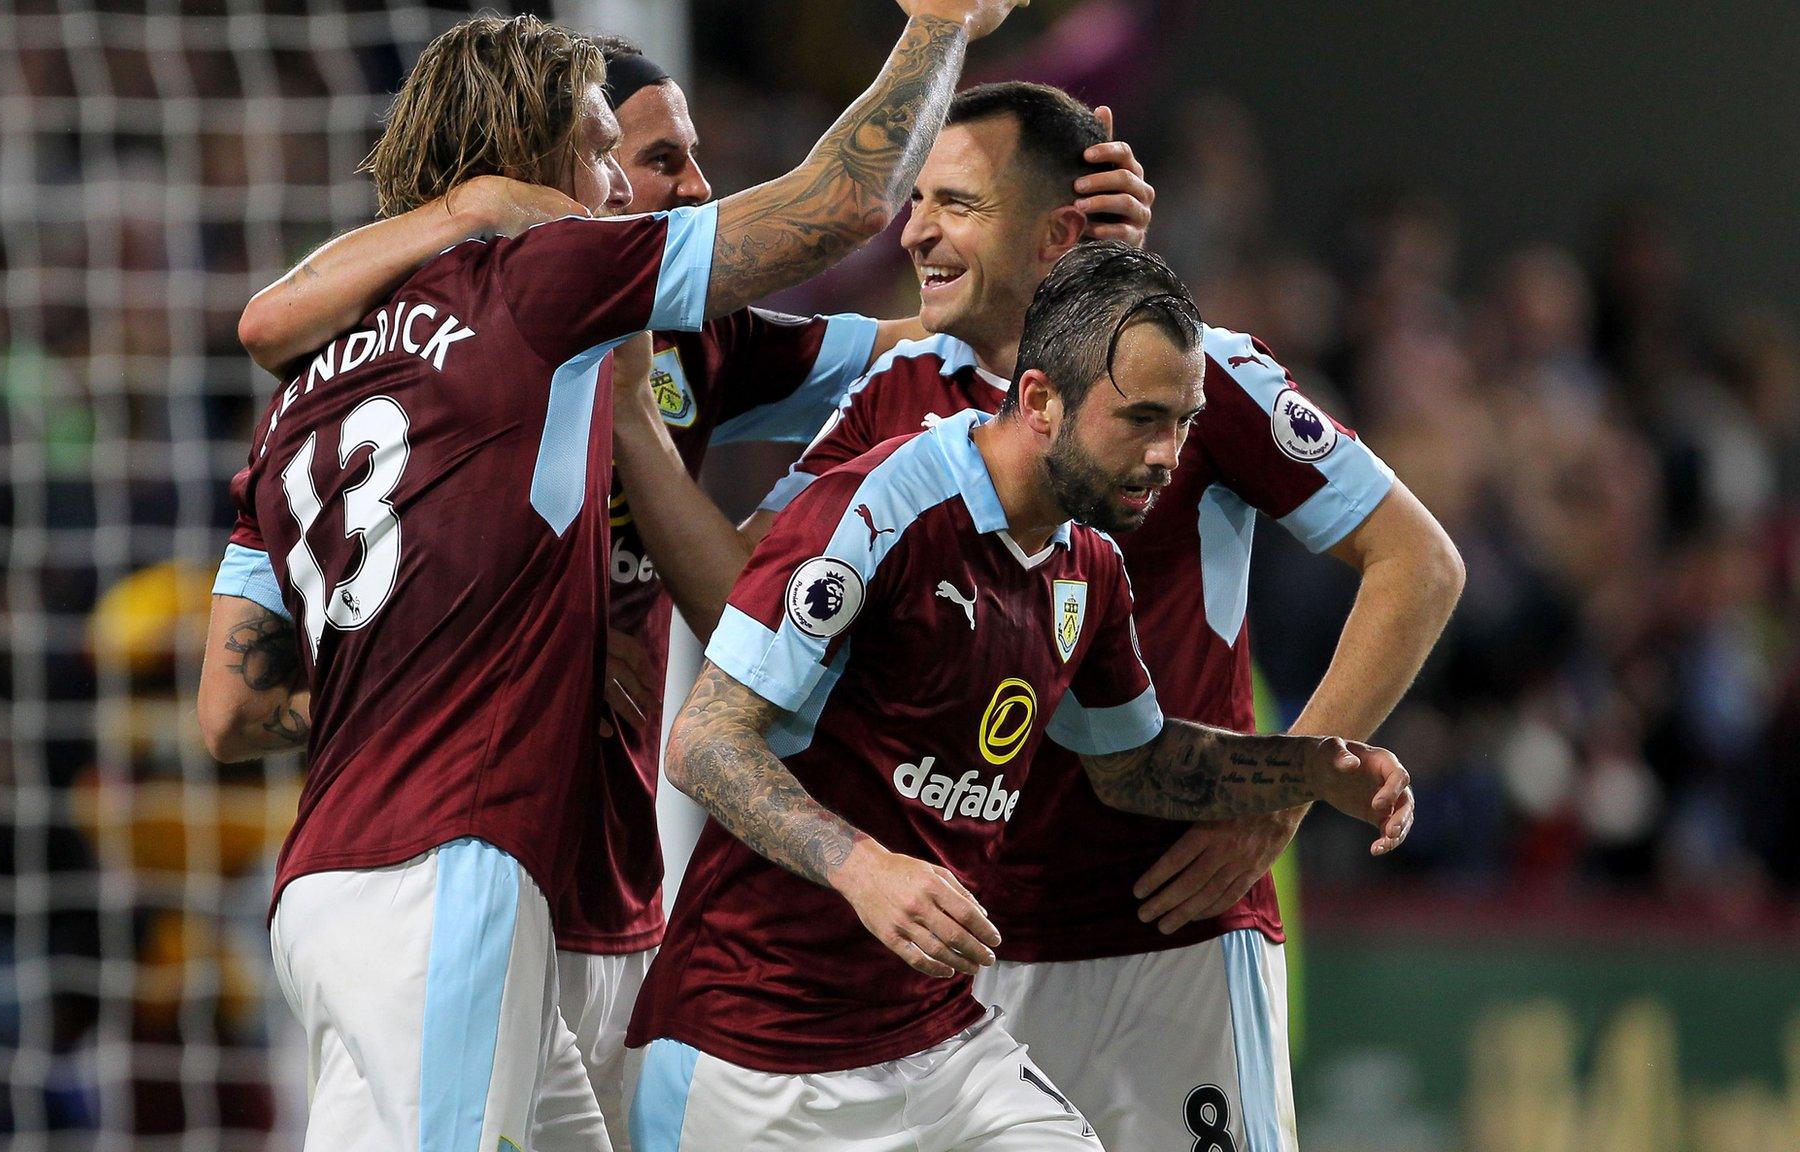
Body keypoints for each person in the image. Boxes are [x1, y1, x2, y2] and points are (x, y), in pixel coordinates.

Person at [217, 34, 1155, 1151]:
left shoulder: (297, 405)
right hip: (453, 862)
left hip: (357, 870)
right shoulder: (550, 279)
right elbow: (840, 202)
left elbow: (232, 709)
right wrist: (936, 25)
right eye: (613, 152)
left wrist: (1062, 275)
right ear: (528, 166)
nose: (632, 187)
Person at [609, 82, 1464, 1151]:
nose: (912, 228)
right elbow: (749, 617)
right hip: (960, 955)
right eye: (916, 198)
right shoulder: (894, 407)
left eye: (954, 203)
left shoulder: (1195, 384)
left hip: (1168, 930)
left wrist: (1282, 792)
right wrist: (633, 420)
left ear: (1054, 227)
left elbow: (1415, 563)